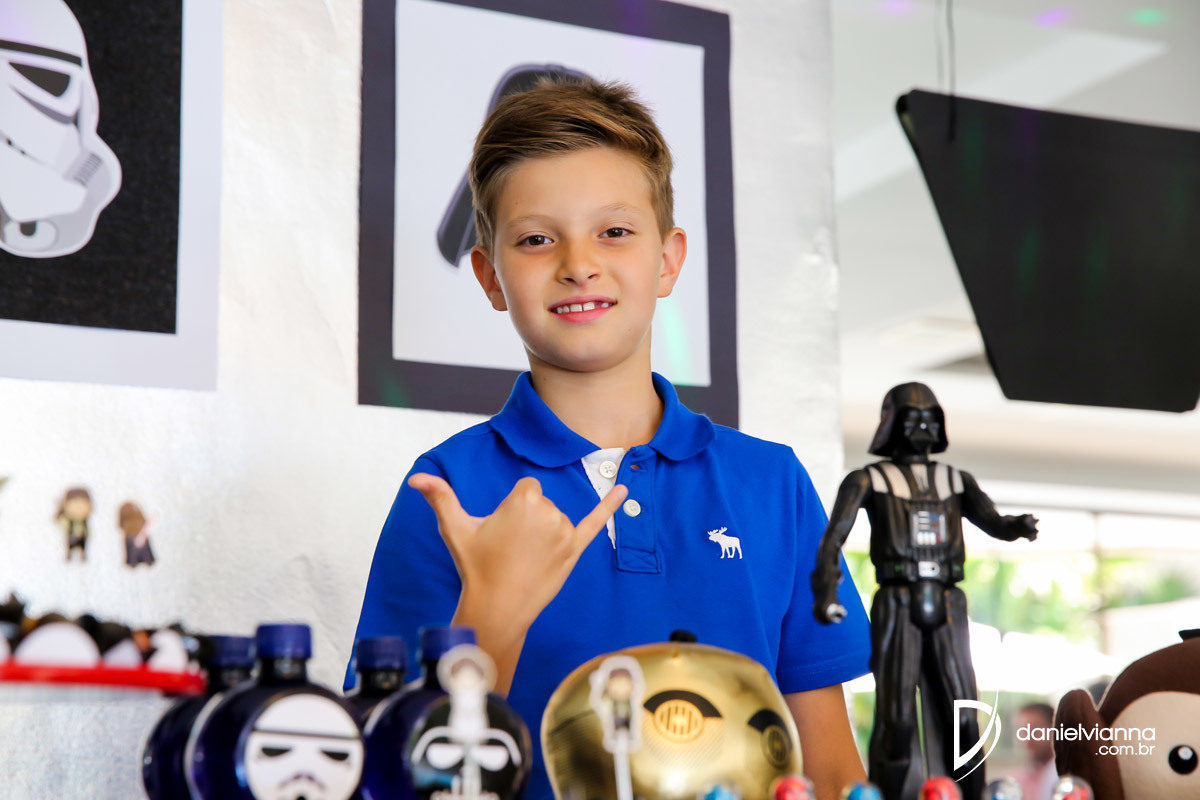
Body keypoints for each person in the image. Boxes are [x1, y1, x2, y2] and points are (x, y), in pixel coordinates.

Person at [348, 77, 872, 800]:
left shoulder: (772, 484)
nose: (578, 263)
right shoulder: (446, 489)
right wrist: (492, 610)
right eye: (536, 239)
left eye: (615, 232)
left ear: (668, 260)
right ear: (490, 276)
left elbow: (832, 769)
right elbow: (398, 774)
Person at [1013, 702, 1058, 800]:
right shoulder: (1013, 783)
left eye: (1035, 730)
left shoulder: (1069, 779)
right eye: (1023, 731)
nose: (1028, 738)